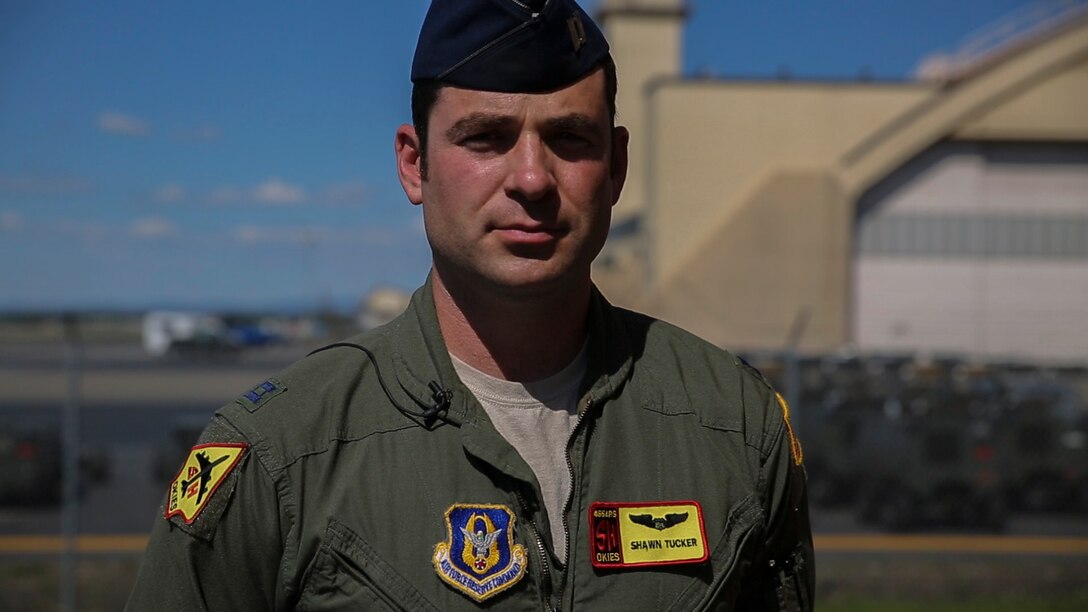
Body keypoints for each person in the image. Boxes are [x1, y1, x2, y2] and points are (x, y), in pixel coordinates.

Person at [126, 0, 814, 609]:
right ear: (414, 163)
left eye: (570, 139)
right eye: (486, 137)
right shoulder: (283, 456)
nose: (532, 179)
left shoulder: (733, 428)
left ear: (617, 167)